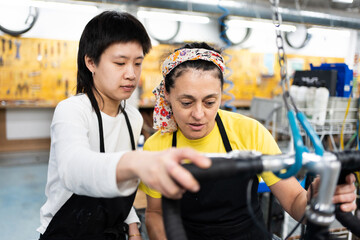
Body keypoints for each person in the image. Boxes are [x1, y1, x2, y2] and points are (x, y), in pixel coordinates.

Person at [139, 42, 357, 240]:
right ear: (166, 94)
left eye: (209, 102)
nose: (198, 114)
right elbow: (156, 213)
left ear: (221, 95)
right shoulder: (157, 146)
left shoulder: (249, 132)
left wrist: (318, 199)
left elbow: (293, 202)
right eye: (186, 102)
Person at [37, 12, 211, 240]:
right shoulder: (72, 110)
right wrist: (136, 162)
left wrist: (132, 225)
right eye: (120, 63)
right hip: (65, 233)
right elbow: (74, 170)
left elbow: (120, 184)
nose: (131, 74)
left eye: (137, 63)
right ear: (91, 62)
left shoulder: (132, 116)